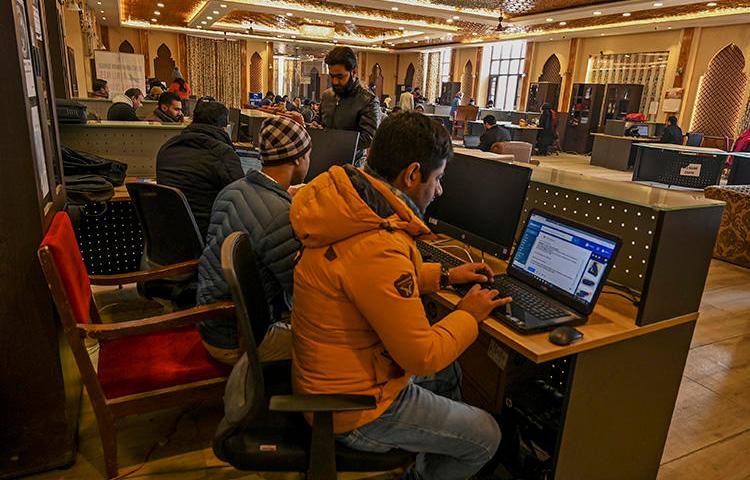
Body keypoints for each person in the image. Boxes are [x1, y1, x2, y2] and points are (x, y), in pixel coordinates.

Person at [290, 111, 508, 480]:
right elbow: (422, 355)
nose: (438, 191)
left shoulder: (351, 208)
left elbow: (366, 281)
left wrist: (443, 275)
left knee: (451, 371)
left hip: (331, 378)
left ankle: (433, 449)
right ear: (411, 175)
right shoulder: (378, 243)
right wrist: (469, 314)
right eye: (436, 178)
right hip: (355, 409)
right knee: (487, 435)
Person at [195, 115, 311, 365]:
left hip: (211, 322)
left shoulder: (233, 190)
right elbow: (303, 291)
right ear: (298, 158)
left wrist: (284, 194)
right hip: (239, 339)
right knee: (344, 336)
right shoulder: (281, 215)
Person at [156, 101, 244, 239]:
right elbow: (242, 200)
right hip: (207, 238)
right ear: (225, 128)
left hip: (167, 237)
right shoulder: (222, 154)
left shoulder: (167, 148)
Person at [316, 46, 381, 166]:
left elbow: (369, 138)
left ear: (354, 72)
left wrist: (332, 138)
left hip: (352, 167)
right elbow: (319, 122)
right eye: (332, 76)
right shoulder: (327, 96)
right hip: (324, 159)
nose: (335, 82)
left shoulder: (367, 100)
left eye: (340, 77)